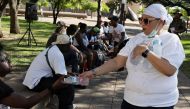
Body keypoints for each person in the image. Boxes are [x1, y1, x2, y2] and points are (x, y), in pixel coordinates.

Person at [80, 3, 185, 109]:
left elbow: (169, 70)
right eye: (141, 20)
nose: (142, 24)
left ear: (161, 22)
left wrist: (146, 52)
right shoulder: (137, 39)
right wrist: (93, 72)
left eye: (146, 20)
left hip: (159, 104)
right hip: (131, 101)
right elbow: (117, 62)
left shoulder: (171, 39)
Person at [0, 43, 66, 108]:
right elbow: (25, 103)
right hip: (34, 83)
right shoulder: (1, 88)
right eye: (5, 59)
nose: (9, 61)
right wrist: (53, 87)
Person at [23, 35, 75, 109]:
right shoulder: (57, 54)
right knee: (67, 87)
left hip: (33, 80)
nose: (70, 47)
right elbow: (63, 77)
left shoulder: (53, 48)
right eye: (68, 45)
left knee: (68, 82)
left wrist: (72, 76)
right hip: (35, 83)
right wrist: (78, 80)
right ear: (63, 45)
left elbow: (59, 72)